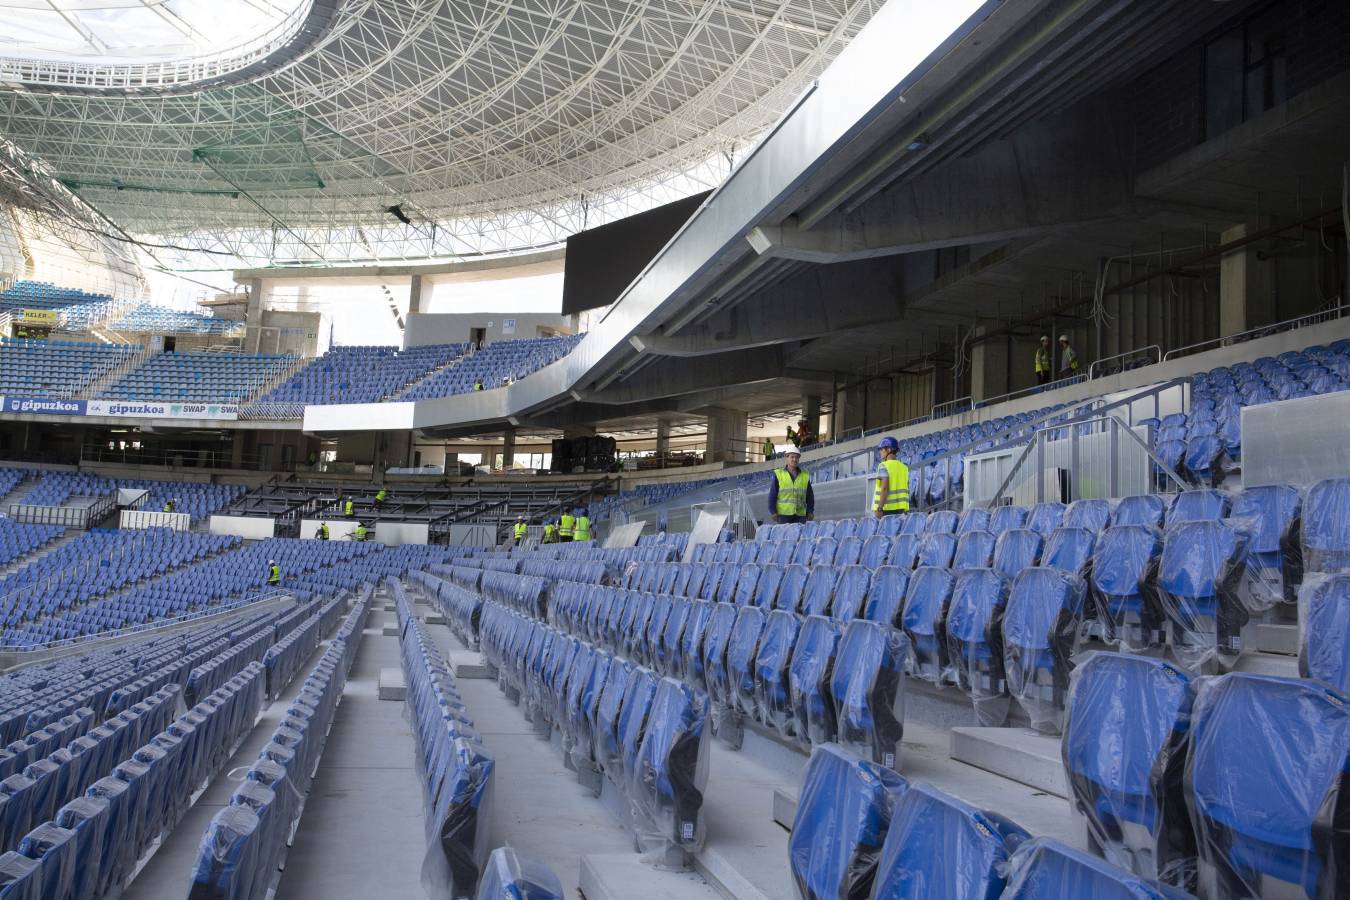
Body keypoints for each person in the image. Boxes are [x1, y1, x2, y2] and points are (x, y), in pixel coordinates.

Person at [769, 449, 814, 524]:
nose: (794, 459)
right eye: (792, 457)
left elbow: (810, 496)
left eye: (797, 457)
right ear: (787, 458)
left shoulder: (804, 475)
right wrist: (773, 511)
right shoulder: (779, 474)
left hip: (800, 515)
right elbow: (772, 494)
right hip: (783, 514)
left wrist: (810, 511)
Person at [872, 436, 910, 519]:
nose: (880, 452)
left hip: (886, 510)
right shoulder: (904, 467)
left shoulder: (883, 466)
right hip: (901, 510)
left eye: (881, 449)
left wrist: (879, 509)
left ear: (889, 450)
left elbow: (884, 488)